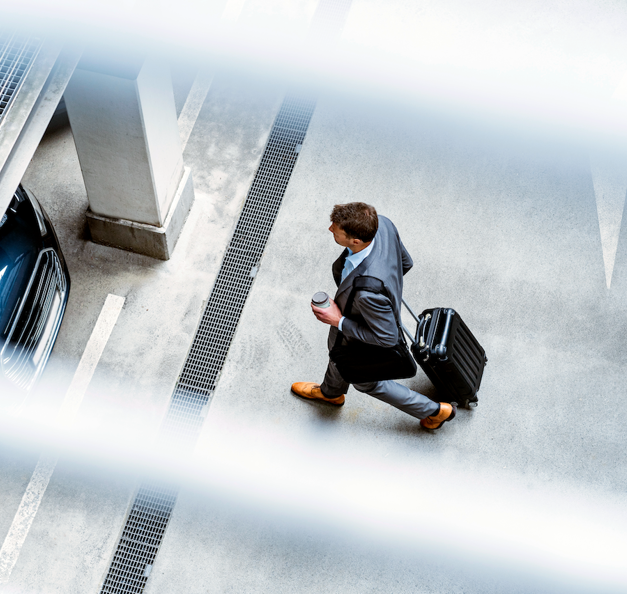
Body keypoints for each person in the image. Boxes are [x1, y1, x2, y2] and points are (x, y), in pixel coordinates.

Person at [291, 202, 456, 431]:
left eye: (335, 230)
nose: (330, 229)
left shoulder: (368, 294)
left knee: (367, 382)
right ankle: (331, 393)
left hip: (361, 333)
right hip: (361, 315)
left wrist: (338, 320)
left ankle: (435, 412)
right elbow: (405, 262)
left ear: (355, 241)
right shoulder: (383, 224)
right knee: (339, 355)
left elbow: (386, 338)